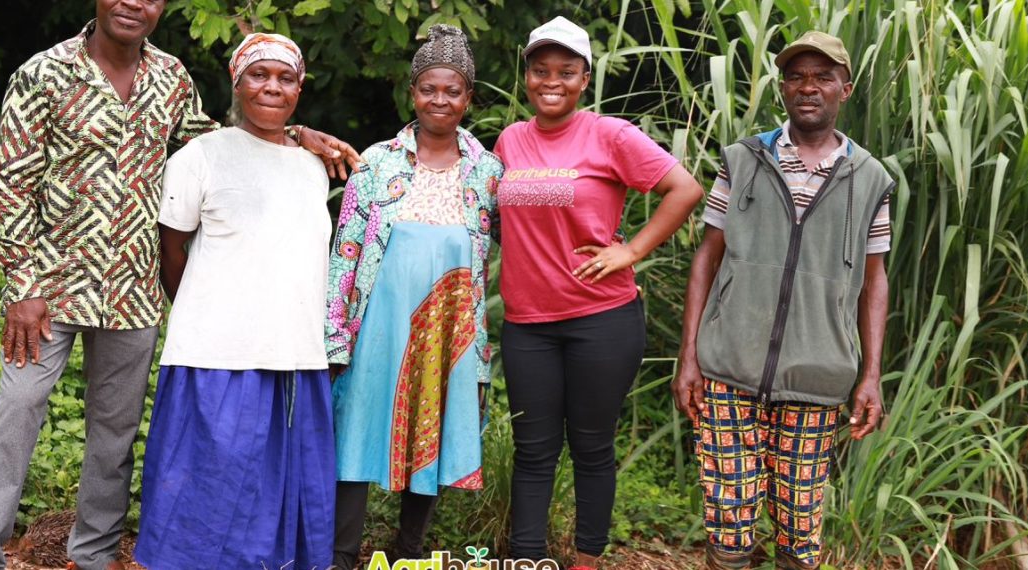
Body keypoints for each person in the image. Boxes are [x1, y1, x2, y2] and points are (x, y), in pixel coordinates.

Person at [0, 1, 358, 568]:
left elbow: (221, 143)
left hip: (132, 287)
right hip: (50, 285)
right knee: (16, 413)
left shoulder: (169, 77)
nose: (133, 3)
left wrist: (296, 133)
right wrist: (22, 286)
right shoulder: (44, 72)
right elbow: (13, 182)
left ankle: (92, 554)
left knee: (114, 435)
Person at [671, 31, 892, 570]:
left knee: (800, 527)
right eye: (796, 76)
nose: (808, 87)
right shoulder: (743, 160)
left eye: (822, 77)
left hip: (817, 376)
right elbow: (708, 256)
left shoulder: (871, 179)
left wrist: (871, 374)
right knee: (730, 516)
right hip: (728, 367)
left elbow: (875, 279)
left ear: (846, 88)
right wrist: (690, 354)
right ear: (782, 88)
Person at [493, 16, 704, 570]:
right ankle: (529, 559)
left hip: (601, 319)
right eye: (540, 71)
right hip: (527, 324)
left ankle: (586, 562)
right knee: (533, 452)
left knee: (591, 448)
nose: (551, 81)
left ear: (585, 79)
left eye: (565, 71)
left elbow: (684, 188)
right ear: (528, 77)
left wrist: (630, 250)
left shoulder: (610, 135)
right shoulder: (511, 139)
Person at [131, 32, 335, 570]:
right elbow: (171, 249)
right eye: (259, 75)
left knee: (277, 497)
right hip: (216, 354)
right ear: (235, 82)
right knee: (209, 487)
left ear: (300, 88)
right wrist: (203, 309)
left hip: (295, 354)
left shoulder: (313, 165)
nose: (272, 87)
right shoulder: (200, 156)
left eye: (285, 78)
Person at [325, 24, 503, 569]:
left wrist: (612, 246)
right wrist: (335, 336)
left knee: (433, 432)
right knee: (355, 429)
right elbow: (345, 253)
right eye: (430, 88)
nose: (440, 100)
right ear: (412, 93)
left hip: (449, 329)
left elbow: (544, 220)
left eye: (453, 90)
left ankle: (408, 553)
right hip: (375, 323)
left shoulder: (490, 172)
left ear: (469, 97)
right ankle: (340, 555)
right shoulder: (376, 163)